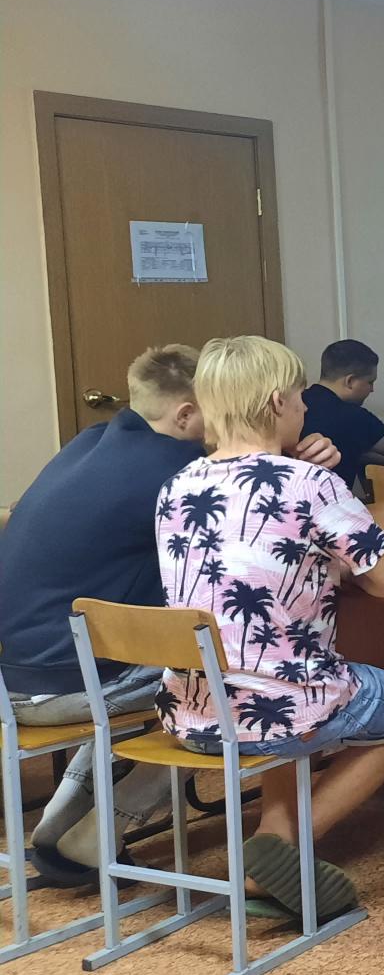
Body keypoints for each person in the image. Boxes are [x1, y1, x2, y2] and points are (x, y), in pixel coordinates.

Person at [2, 346, 345, 885]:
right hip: (70, 683)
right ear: (187, 414)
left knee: (184, 674)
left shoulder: (89, 443)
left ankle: (60, 822)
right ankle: (105, 828)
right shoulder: (180, 475)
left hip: (16, 679)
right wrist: (295, 467)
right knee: (227, 688)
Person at [154, 336, 384, 916]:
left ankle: (271, 840)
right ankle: (282, 849)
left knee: (284, 691)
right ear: (278, 401)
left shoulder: (178, 486)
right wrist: (334, 497)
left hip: (193, 711)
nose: (306, 408)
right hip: (282, 707)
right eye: (301, 397)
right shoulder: (311, 485)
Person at [301, 338, 384, 489]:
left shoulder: (298, 404)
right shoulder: (354, 416)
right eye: (370, 382)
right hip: (333, 500)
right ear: (350, 381)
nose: (372, 389)